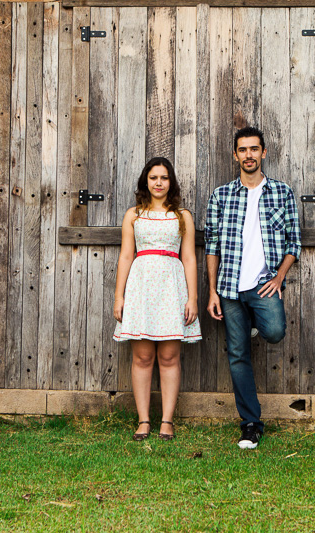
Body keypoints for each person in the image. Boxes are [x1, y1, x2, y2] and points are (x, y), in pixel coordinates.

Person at [204, 126, 301, 449]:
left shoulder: (282, 193)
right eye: (243, 150)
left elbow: (294, 242)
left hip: (262, 285)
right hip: (230, 288)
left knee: (274, 331)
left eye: (254, 149)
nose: (249, 155)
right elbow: (212, 246)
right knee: (238, 355)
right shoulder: (221, 195)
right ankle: (250, 424)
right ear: (236, 155)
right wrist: (212, 291)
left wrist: (279, 277)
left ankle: (255, 323)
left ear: (264, 153)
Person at [113, 157, 201, 441]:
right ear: (146, 181)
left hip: (171, 288)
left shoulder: (182, 216)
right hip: (141, 288)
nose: (159, 183)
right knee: (142, 356)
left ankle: (167, 420)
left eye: (164, 178)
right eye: (153, 178)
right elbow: (126, 256)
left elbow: (189, 258)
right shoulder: (134, 215)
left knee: (169, 356)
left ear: (171, 182)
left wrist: (192, 298)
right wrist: (119, 296)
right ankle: (143, 420)